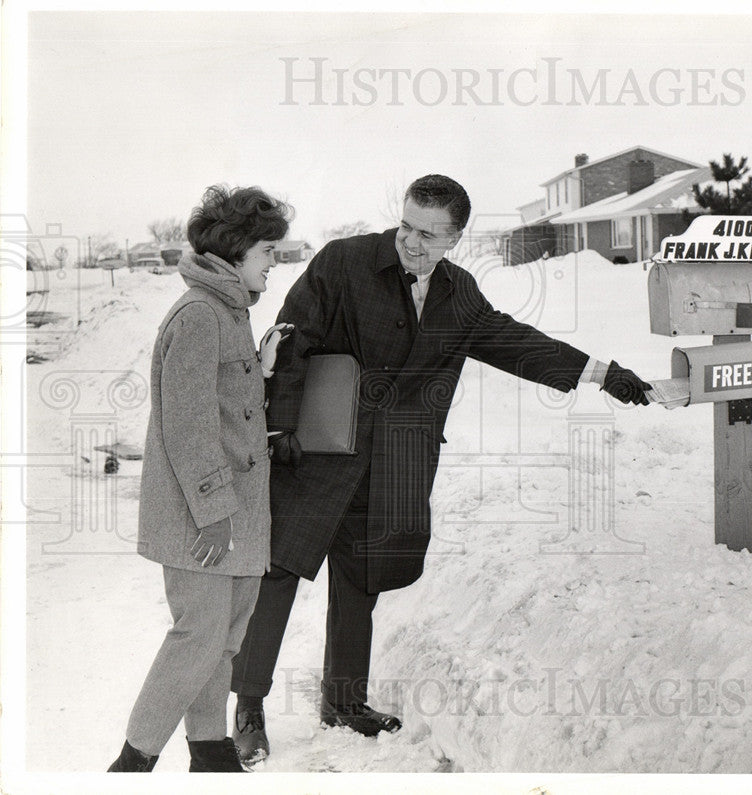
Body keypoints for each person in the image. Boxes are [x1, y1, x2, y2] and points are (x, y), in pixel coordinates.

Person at [230, 174, 651, 763]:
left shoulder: (458, 294)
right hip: (320, 451)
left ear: (455, 238)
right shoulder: (344, 263)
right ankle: (248, 708)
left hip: (393, 462)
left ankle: (344, 702)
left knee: (360, 582)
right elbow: (294, 339)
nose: (410, 242)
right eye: (406, 226)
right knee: (278, 573)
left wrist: (601, 373)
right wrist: (280, 427)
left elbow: (513, 341)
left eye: (428, 234)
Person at [107, 185, 293, 773]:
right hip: (204, 516)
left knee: (224, 641)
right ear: (236, 252)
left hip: (235, 512)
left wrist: (257, 372)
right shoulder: (198, 315)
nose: (273, 262)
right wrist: (214, 514)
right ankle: (131, 765)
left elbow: (221, 407)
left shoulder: (228, 310)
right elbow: (186, 426)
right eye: (267, 250)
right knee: (197, 639)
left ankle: (210, 753)